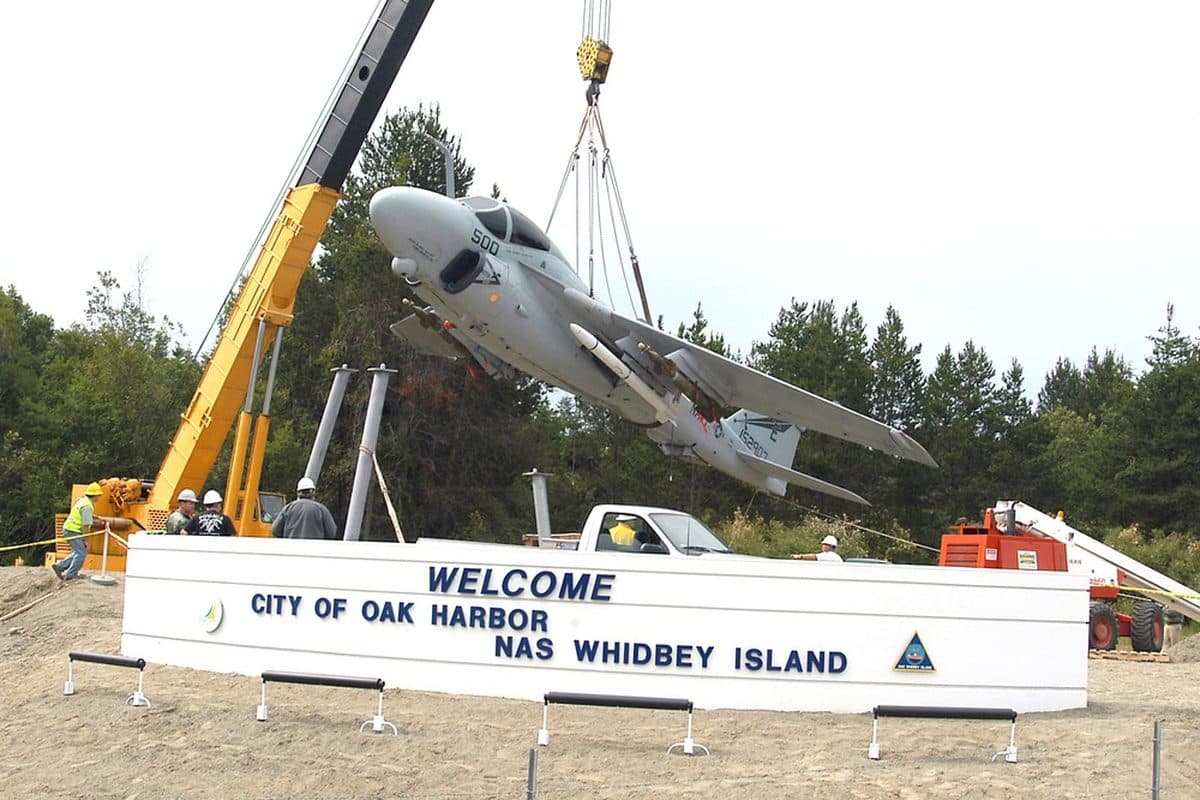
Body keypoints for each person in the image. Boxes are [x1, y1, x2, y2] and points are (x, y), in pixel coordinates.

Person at [55, 482, 109, 580]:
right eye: (99, 495)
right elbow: (86, 525)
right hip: (73, 530)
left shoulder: (84, 501)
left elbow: (83, 514)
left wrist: (95, 517)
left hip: (69, 529)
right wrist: (85, 540)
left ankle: (60, 566)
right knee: (81, 553)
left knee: (78, 551)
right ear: (95, 495)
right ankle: (71, 574)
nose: (100, 497)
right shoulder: (87, 506)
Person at [271, 477, 338, 540]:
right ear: (313, 492)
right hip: (314, 550)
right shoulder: (321, 509)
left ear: (298, 493)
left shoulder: (288, 508)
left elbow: (275, 530)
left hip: (292, 550)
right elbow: (332, 532)